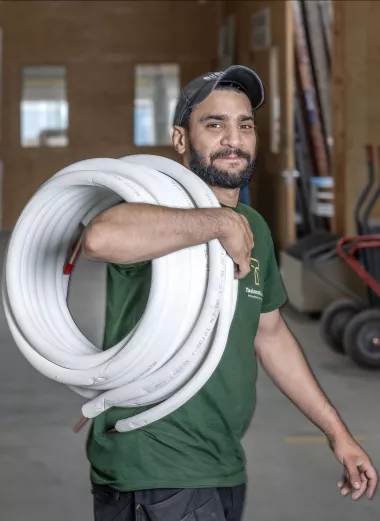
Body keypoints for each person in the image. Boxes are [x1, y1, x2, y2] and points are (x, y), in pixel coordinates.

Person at [82, 65, 378, 521]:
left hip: (219, 462)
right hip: (156, 466)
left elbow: (271, 334)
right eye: (214, 124)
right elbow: (101, 238)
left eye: (245, 125)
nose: (233, 139)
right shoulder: (158, 209)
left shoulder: (254, 227)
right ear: (181, 139)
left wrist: (338, 433)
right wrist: (219, 223)